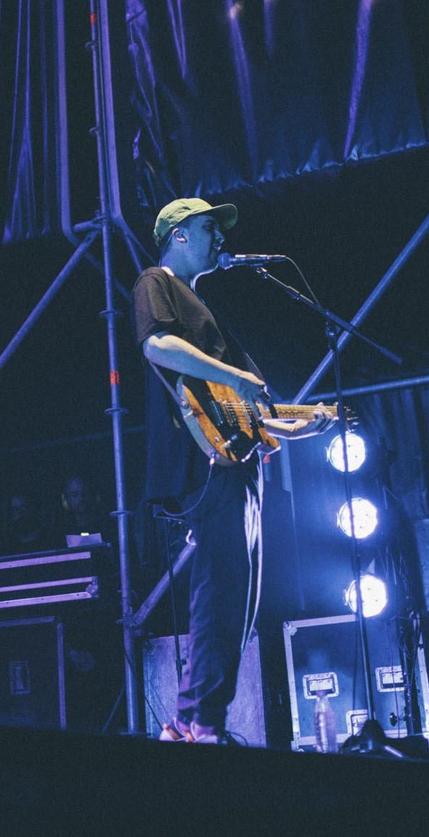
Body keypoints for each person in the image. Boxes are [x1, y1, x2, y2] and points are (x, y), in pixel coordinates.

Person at [132, 197, 315, 743]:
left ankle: (205, 718)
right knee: (220, 588)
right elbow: (157, 344)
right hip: (203, 457)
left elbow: (245, 407)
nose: (221, 238)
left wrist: (301, 424)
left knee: (240, 594)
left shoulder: (204, 307)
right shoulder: (155, 281)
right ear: (180, 233)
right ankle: (194, 722)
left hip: (237, 457)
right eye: (210, 227)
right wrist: (235, 375)